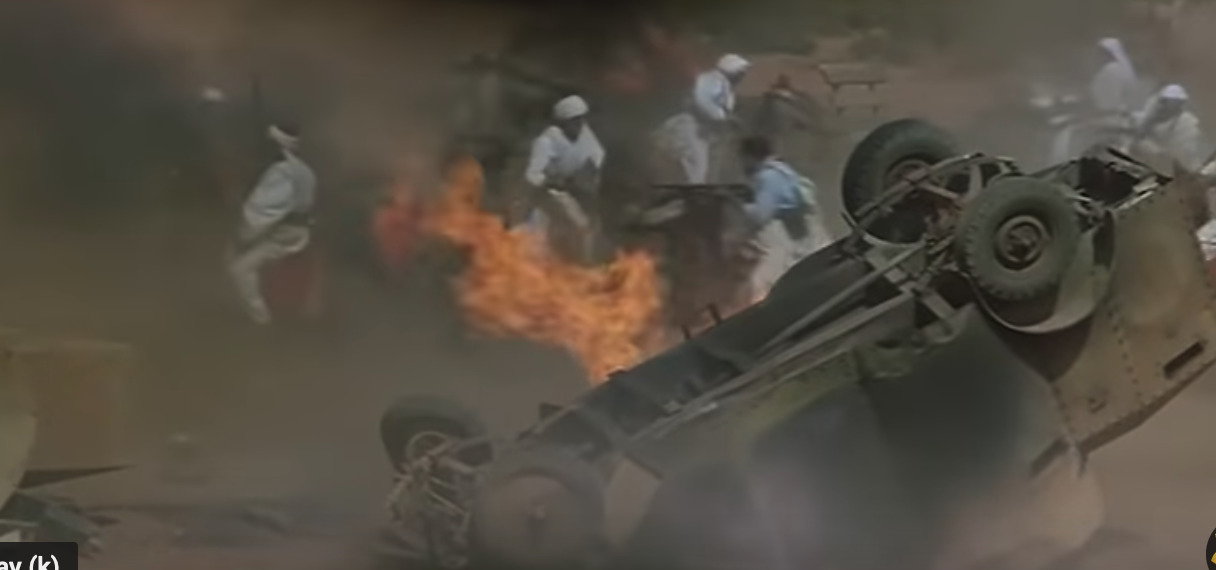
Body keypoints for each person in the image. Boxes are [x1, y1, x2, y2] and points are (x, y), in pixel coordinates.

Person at [228, 122, 317, 325]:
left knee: (238, 268)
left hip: (285, 234)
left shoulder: (281, 172)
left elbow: (260, 212)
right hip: (292, 231)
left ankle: (259, 320)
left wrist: (244, 235)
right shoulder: (305, 171)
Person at [520, 94, 606, 260]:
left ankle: (582, 265)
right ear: (563, 122)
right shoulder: (546, 141)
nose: (578, 125)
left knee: (585, 228)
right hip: (549, 192)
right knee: (537, 235)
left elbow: (596, 157)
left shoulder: (585, 135)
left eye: (581, 120)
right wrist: (553, 182)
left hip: (574, 190)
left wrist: (587, 180)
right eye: (574, 121)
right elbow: (532, 175)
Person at [736, 136, 821, 302]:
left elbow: (761, 215)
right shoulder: (783, 170)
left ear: (751, 157)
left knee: (762, 285)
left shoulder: (768, 177)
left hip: (784, 243)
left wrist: (739, 208)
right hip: (799, 239)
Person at [656, 53, 751, 184]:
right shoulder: (712, 80)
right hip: (693, 126)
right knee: (697, 164)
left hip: (705, 130)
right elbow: (703, 101)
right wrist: (724, 117)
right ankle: (693, 195)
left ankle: (696, 193)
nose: (742, 77)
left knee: (702, 166)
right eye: (741, 73)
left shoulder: (724, 85)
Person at [1128, 84, 1211, 172]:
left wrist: (1155, 150)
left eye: (1169, 101)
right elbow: (1137, 130)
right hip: (1147, 161)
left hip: (1177, 168)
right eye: (1163, 101)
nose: (1164, 105)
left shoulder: (1187, 122)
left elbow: (1182, 152)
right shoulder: (1152, 114)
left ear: (1179, 103)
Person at [1089, 37, 1144, 115]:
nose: (1098, 56)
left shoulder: (1112, 69)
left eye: (1101, 53)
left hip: (1113, 113)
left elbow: (1109, 96)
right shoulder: (1121, 68)